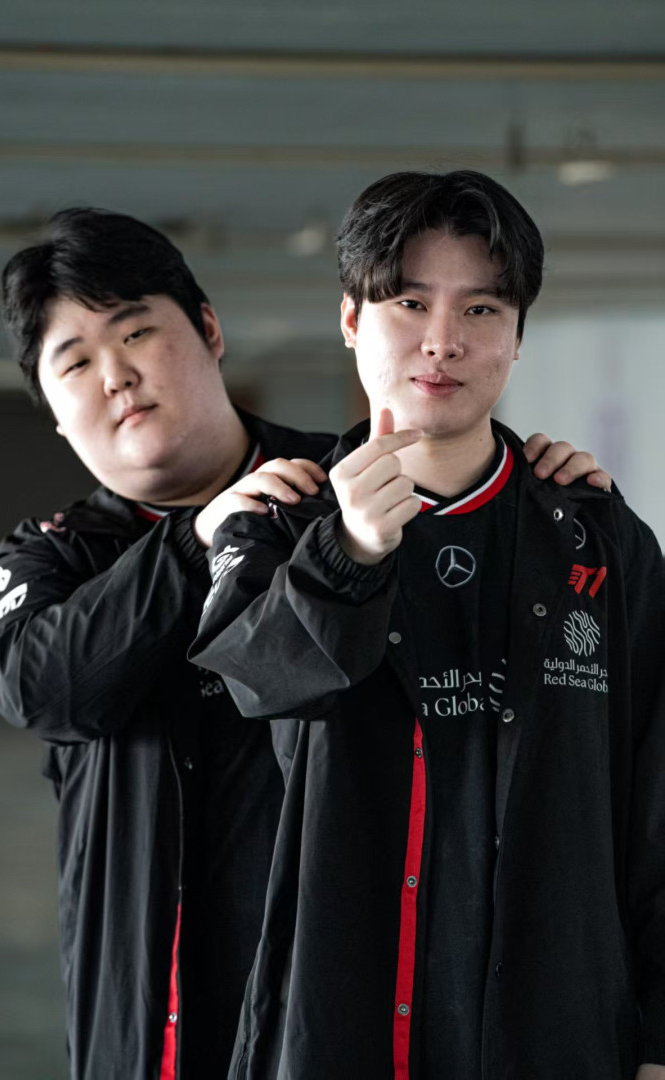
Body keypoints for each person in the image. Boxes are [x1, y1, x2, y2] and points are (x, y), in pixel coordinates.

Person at [0, 205, 607, 1080]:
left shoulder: (346, 494)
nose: (116, 375)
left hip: (341, 994)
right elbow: (41, 688)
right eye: (76, 362)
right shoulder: (53, 553)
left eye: (136, 332)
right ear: (52, 406)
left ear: (209, 330)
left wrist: (545, 500)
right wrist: (197, 540)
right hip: (144, 1008)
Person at [191, 171, 665, 1080]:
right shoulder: (279, 525)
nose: (443, 340)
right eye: (410, 303)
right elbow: (250, 684)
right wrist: (347, 555)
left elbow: (656, 797)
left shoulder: (597, 535)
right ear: (350, 320)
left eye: (482, 309)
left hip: (554, 1027)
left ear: (518, 337)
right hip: (341, 1013)